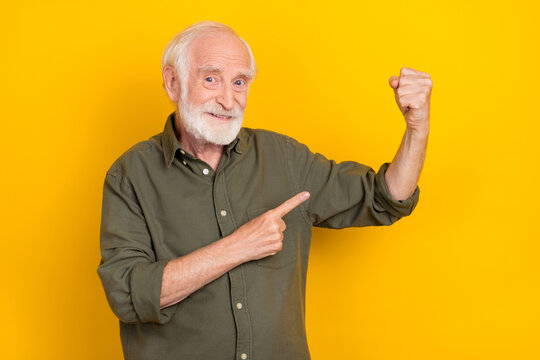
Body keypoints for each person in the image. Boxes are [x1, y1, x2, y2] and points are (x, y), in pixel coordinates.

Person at [97, 20, 431, 360]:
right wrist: (237, 247)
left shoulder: (284, 158)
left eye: (239, 82)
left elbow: (385, 198)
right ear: (173, 83)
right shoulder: (131, 175)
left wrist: (417, 127)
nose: (228, 100)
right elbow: (127, 293)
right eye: (211, 79)